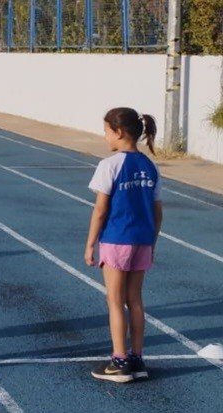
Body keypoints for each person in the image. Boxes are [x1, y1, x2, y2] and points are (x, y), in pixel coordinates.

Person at [85, 108, 162, 384]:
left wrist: (90, 244)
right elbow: (157, 211)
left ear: (118, 132)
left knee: (115, 301)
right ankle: (137, 359)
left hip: (117, 239)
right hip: (143, 239)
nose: (105, 137)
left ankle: (119, 362)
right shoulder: (150, 166)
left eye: (106, 131)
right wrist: (152, 241)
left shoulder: (110, 165)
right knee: (135, 300)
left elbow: (100, 210)